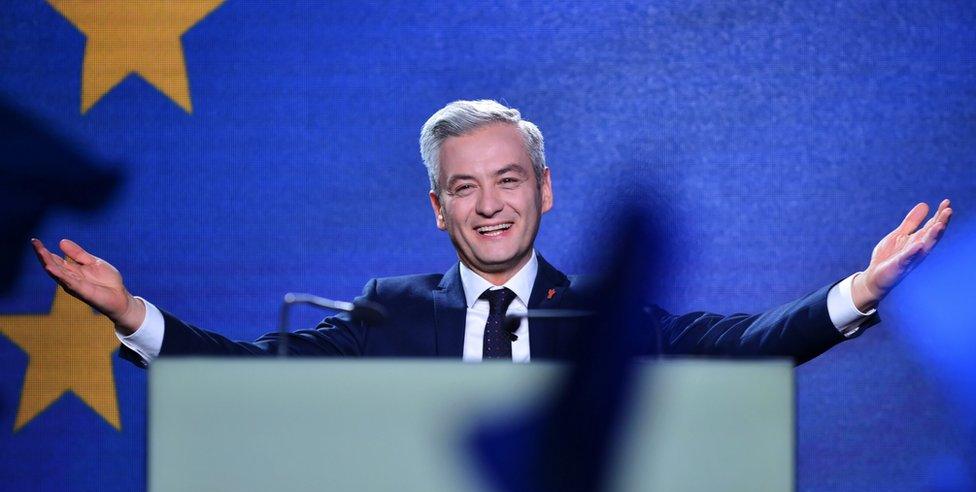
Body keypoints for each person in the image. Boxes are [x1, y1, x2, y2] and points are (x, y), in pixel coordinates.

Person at [31, 100, 953, 366]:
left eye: (508, 180)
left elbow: (745, 343)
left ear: (545, 191)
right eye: (462, 188)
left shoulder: (603, 315)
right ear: (437, 208)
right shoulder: (388, 315)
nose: (489, 204)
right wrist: (133, 313)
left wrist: (858, 292)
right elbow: (250, 377)